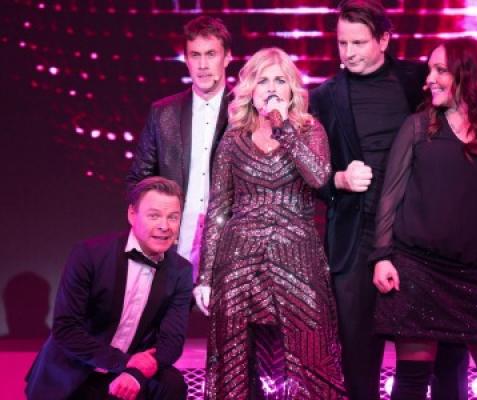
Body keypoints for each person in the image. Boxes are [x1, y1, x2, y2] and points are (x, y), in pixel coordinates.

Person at [310, 1, 469, 398]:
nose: (349, 52)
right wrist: (338, 180)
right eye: (342, 43)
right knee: (358, 360)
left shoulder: (418, 80)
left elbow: (458, 135)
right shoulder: (325, 96)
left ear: (383, 39)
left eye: (359, 42)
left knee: (440, 353)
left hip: (417, 232)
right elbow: (309, 174)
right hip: (356, 236)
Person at [371, 37, 477, 400]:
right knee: (411, 384)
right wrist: (382, 256)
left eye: (440, 70)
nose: (428, 79)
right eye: (430, 70)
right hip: (418, 271)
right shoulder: (418, 127)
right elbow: (390, 196)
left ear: (467, 74)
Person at [194, 47, 346, 399]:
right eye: (263, 81)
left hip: (297, 259)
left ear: (292, 89)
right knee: (235, 362)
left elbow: (319, 177)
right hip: (238, 261)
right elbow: (219, 208)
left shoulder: (309, 130)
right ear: (251, 89)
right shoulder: (233, 138)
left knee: (312, 356)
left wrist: (284, 129)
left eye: (280, 80)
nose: (272, 88)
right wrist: (205, 277)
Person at [25, 177, 193, 400]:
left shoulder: (181, 270)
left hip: (128, 374)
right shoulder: (89, 255)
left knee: (172, 384)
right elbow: (66, 329)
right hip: (77, 371)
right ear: (132, 214)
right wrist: (124, 363)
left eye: (173, 217)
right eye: (154, 216)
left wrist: (135, 374)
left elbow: (171, 341)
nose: (165, 226)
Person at [126, 16, 232, 278]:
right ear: (186, 59)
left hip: (230, 243)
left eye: (211, 54)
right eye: (195, 55)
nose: (203, 65)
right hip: (174, 242)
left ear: (227, 57)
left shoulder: (245, 112)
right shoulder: (164, 113)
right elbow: (139, 180)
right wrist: (156, 225)